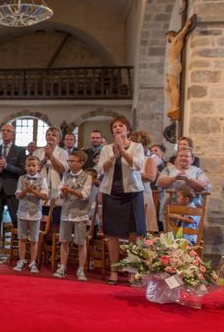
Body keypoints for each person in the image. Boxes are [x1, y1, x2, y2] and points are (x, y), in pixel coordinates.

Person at [97, 116, 145, 285]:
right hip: (111, 193)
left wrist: (123, 152)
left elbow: (139, 165)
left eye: (121, 126)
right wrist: (113, 156)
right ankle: (114, 270)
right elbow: (100, 169)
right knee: (112, 233)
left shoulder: (137, 147)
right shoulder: (106, 149)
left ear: (127, 130)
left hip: (132, 194)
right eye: (115, 126)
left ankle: (132, 271)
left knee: (133, 233)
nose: (118, 128)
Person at [0, 123, 27, 259]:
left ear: (13, 135)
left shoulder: (20, 151)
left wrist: (7, 166)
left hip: (12, 189)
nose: (5, 133)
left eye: (8, 131)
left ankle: (17, 248)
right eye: (3, 130)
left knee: (15, 218)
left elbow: (22, 171)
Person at [54, 151, 92, 281]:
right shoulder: (66, 176)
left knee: (81, 243)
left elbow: (85, 195)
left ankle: (81, 269)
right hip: (66, 213)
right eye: (69, 161)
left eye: (73, 161)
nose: (70, 163)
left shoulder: (87, 177)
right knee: (64, 241)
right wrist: (63, 193)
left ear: (81, 163)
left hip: (80, 214)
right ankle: (62, 266)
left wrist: (71, 191)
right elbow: (59, 193)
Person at [13, 155, 48, 274]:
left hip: (35, 213)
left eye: (34, 166)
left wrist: (32, 191)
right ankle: (22, 260)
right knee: (22, 238)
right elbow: (18, 196)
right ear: (25, 167)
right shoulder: (21, 178)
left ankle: (33, 261)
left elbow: (44, 196)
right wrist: (25, 190)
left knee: (34, 240)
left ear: (38, 167)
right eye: (29, 166)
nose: (31, 168)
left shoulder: (42, 180)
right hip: (22, 212)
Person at [35, 126, 68, 231]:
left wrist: (51, 157)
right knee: (41, 217)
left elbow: (62, 169)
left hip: (56, 189)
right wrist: (45, 158)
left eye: (54, 135)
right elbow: (35, 169)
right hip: (41, 188)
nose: (50, 137)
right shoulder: (38, 152)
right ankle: (41, 240)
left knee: (56, 219)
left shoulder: (63, 153)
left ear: (58, 139)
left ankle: (53, 241)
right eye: (48, 135)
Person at [165, 15, 195, 121]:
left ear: (170, 35)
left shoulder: (177, 40)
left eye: (167, 37)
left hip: (174, 64)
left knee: (173, 86)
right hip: (170, 66)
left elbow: (182, 34)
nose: (167, 39)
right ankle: (172, 104)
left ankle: (175, 106)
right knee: (167, 88)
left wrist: (186, 26)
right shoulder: (173, 42)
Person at [129, 130, 158, 232]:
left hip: (144, 196)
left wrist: (133, 173)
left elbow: (151, 177)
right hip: (128, 195)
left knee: (144, 227)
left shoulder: (148, 160)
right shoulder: (128, 159)